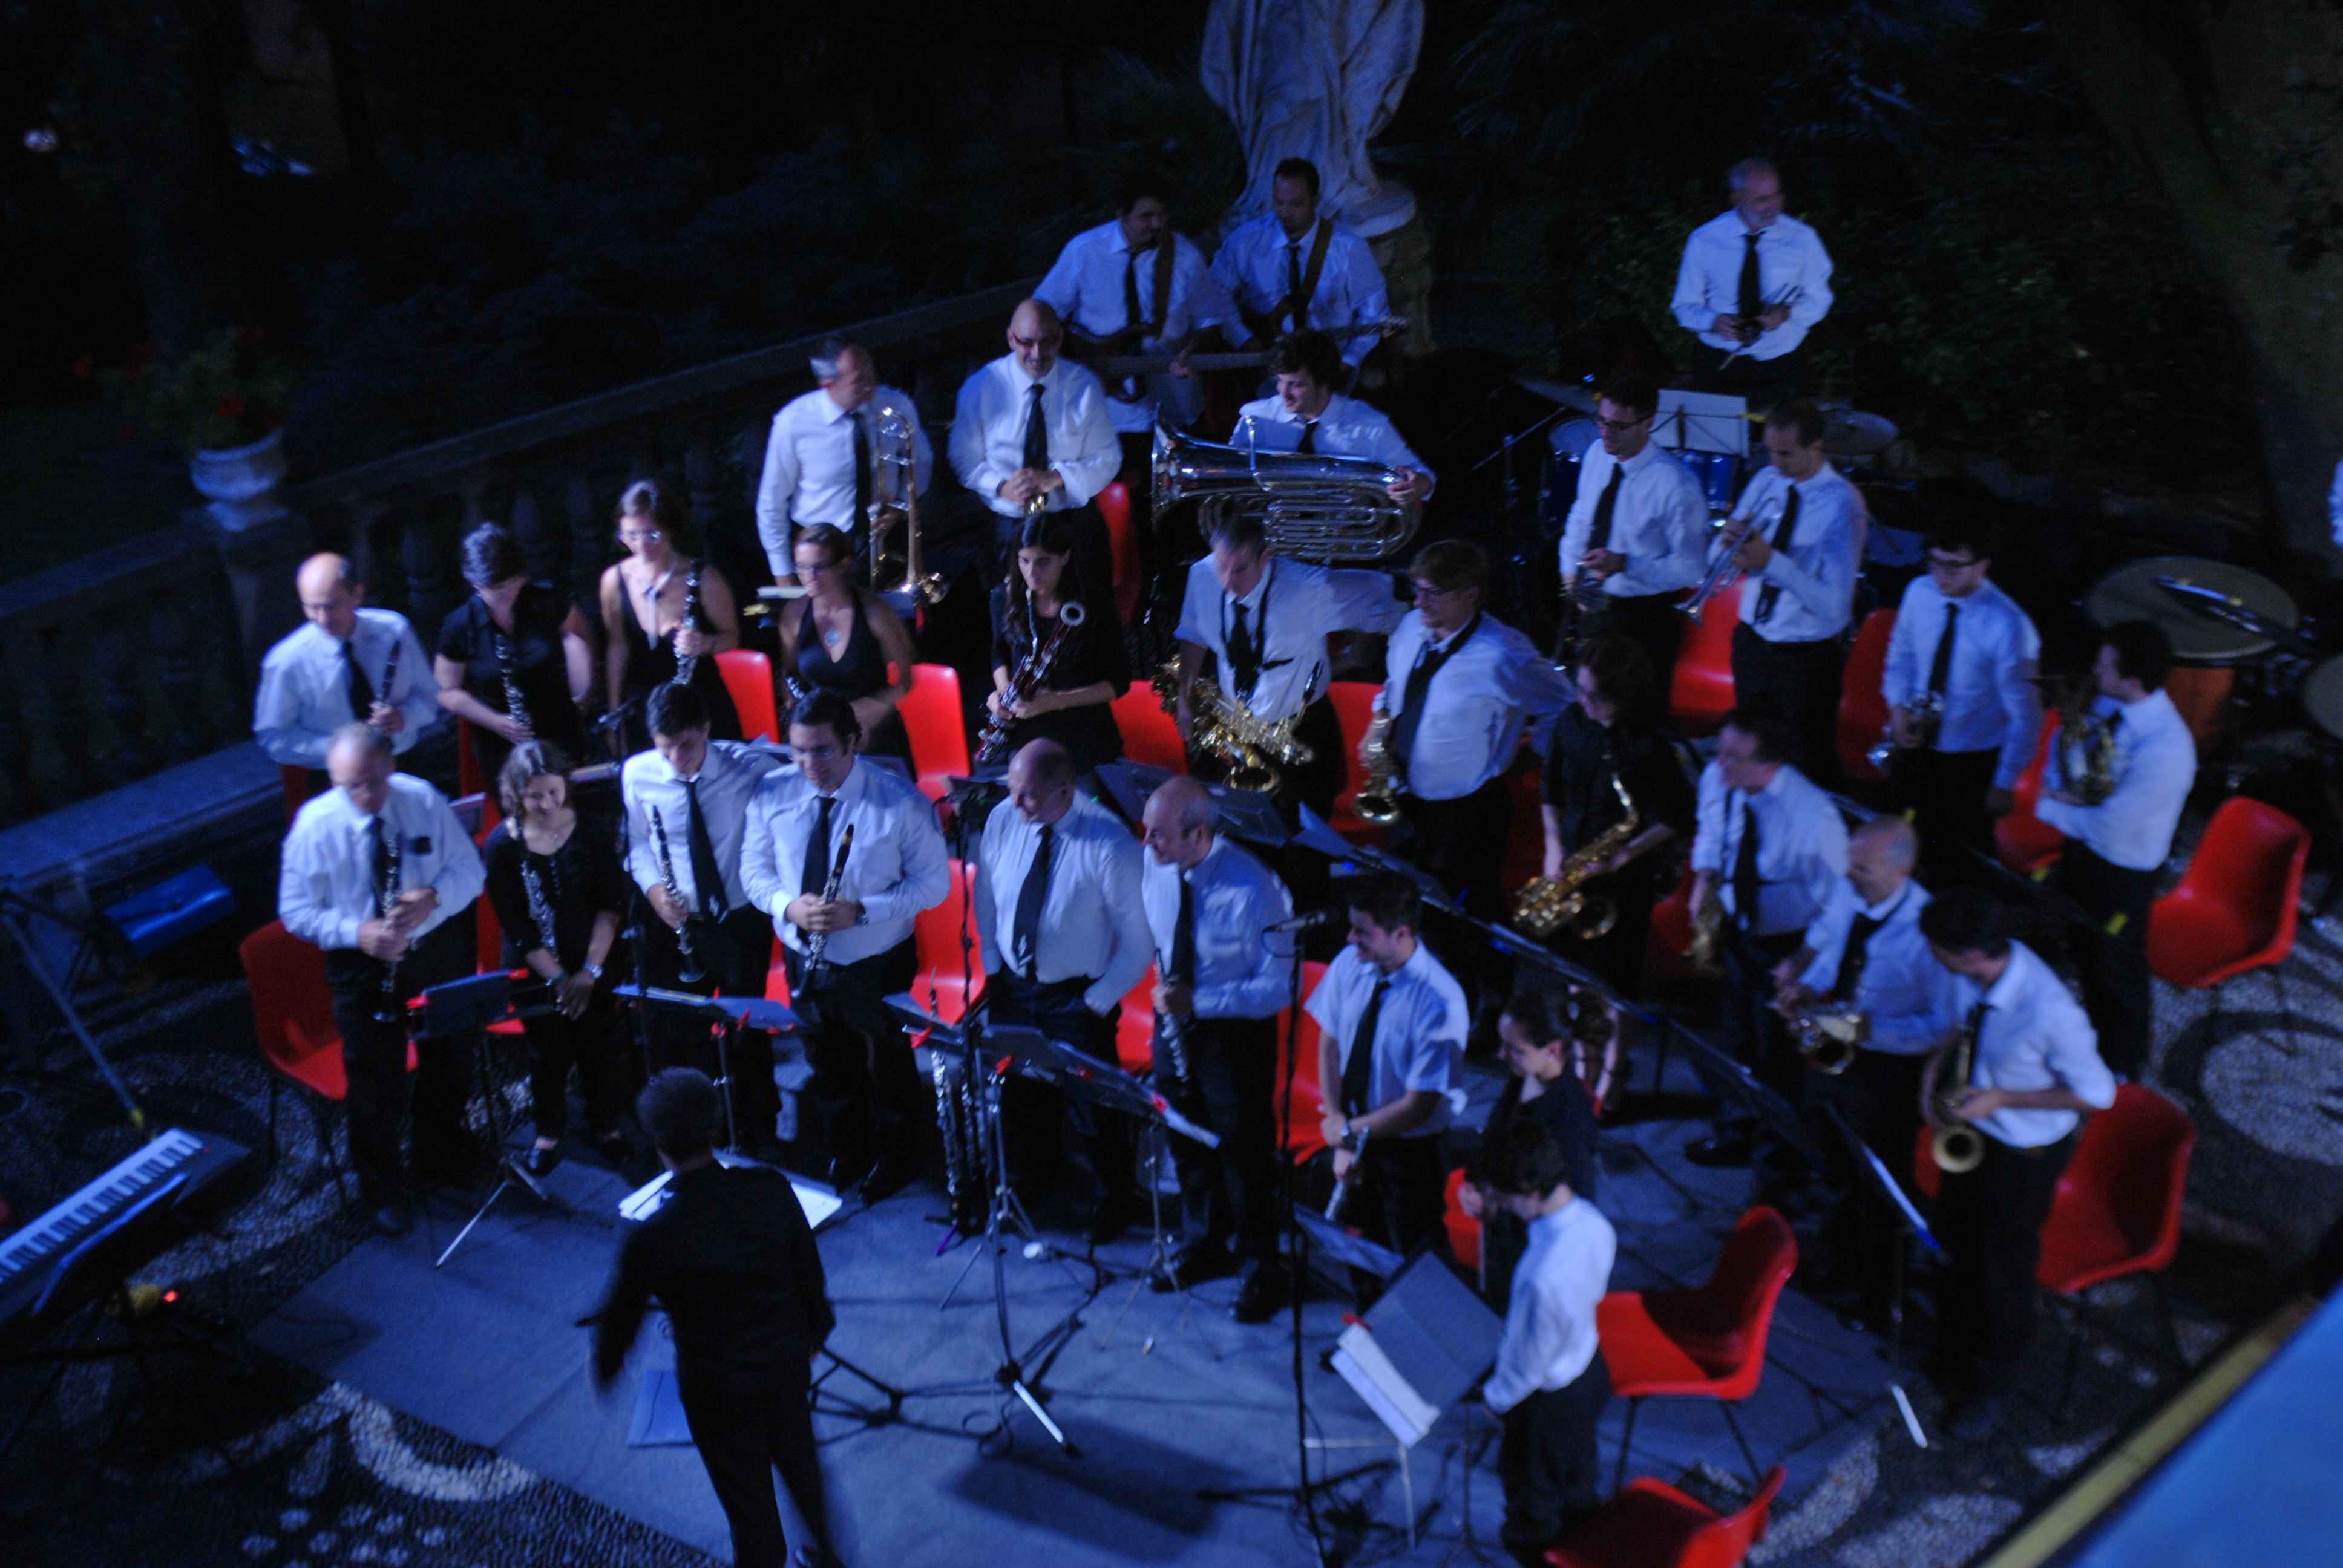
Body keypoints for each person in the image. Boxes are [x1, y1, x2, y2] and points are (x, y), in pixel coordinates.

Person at [592, 1068, 838, 1568]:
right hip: (784, 1363)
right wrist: (816, 1329)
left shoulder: (655, 1234)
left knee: (749, 1507)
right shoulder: (769, 1187)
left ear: (657, 1142)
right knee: (803, 1472)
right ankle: (828, 1559)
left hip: (716, 1389)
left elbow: (621, 1320)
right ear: (714, 1124)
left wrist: (607, 1366)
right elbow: (807, 1270)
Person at [1919, 887, 2117, 1438]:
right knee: (1955, 1243)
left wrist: (2003, 1098)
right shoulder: (1979, 974)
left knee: (2001, 1273)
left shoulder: (2051, 1013)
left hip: (2022, 1156)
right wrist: (1935, 1073)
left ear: (1969, 954)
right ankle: (1955, 1347)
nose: (1930, 954)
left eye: (1937, 948)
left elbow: (2097, 1095)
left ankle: (1993, 1382)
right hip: (1975, 1135)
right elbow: (1966, 1026)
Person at [741, 688, 950, 1199]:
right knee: (828, 1061)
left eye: (823, 751)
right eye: (798, 751)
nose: (809, 765)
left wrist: (862, 911)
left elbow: (934, 886)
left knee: (889, 1064)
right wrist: (788, 906)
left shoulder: (900, 802)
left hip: (876, 959)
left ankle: (897, 1159)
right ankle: (848, 1151)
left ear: (854, 742)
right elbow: (753, 870)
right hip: (804, 955)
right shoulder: (773, 791)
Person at [277, 724, 485, 1235]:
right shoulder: (314, 826)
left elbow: (470, 872)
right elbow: (295, 911)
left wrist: (433, 899)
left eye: (373, 781)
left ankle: (439, 1154)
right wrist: (357, 933)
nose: (365, 796)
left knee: (452, 1059)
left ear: (391, 764)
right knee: (375, 1083)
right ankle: (382, 1189)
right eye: (351, 786)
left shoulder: (422, 800)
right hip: (361, 965)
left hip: (433, 948)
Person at [1770, 817, 1961, 1305]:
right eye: (1851, 864)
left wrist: (1862, 1029)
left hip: (1889, 1072)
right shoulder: (1852, 889)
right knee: (1835, 1163)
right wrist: (1807, 986)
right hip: (1839, 1051)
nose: (1850, 876)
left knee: (1876, 1182)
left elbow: (1944, 1026)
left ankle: (1874, 1290)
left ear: (1902, 871)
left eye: (1864, 869)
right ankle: (1834, 1259)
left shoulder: (1929, 933)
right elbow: (1834, 948)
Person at [974, 740, 1154, 1241]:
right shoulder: (1003, 819)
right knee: (1020, 1098)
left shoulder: (1110, 844)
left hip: (1076, 997)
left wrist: (1096, 1002)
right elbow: (986, 895)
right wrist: (993, 967)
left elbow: (1140, 940)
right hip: (1014, 986)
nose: (1015, 804)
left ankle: (1112, 1201)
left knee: (1093, 1109)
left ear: (1065, 791)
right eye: (1012, 790)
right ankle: (1032, 1187)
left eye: (1028, 795)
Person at [1139, 776, 1296, 1320]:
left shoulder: (1257, 890)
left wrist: (1199, 1003)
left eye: (1159, 834)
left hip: (1234, 1036)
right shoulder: (1157, 865)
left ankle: (1260, 1267)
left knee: (1243, 1155)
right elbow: (1162, 937)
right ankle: (1204, 1241)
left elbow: (1277, 988)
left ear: (1198, 834)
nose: (1147, 844)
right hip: (1176, 1024)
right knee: (1186, 1139)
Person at [1683, 707, 1849, 1170]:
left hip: (1787, 945)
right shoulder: (1721, 778)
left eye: (1734, 756)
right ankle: (1734, 1130)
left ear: (1770, 764)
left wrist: (1805, 962)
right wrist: (1704, 879)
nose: (1719, 764)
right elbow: (1711, 830)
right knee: (1735, 1037)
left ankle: (1777, 1155)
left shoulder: (1814, 816)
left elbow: (1840, 904)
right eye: (1720, 750)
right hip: (1737, 929)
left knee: (1777, 1054)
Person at [620, 683, 782, 1152]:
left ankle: (758, 1131)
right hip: (678, 924)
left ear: (706, 730)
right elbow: (636, 844)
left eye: (687, 746)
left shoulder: (748, 768)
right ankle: (699, 1135)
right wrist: (655, 892)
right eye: (665, 748)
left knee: (748, 1030)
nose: (676, 760)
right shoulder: (638, 773)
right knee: (683, 1034)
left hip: (739, 919)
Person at [1372, 539, 1575, 913]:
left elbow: (1564, 704)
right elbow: (1393, 686)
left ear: (1470, 594)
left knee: (1457, 920)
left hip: (1465, 815)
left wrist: (1532, 750)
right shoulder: (1410, 629)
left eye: (1433, 593)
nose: (1419, 602)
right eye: (1417, 589)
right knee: (1403, 910)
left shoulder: (1503, 654)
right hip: (1403, 798)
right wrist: (1380, 721)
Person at [1170, 508, 1406, 823]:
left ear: (1265, 558)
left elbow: (1389, 601)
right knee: (1243, 830)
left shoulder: (1308, 588)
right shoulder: (1202, 575)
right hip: (1236, 724)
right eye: (1221, 567)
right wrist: (1184, 698)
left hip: (1301, 730)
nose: (1228, 582)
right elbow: (1194, 634)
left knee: (1306, 835)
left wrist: (1355, 657)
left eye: (1240, 570)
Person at [2037, 619, 2195, 1077]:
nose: (2095, 670)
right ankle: (2088, 1038)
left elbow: (2112, 826)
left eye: (2104, 666)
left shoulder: (2168, 749)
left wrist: (2050, 807)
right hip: (2084, 853)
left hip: (2120, 874)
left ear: (2132, 679)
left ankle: (2122, 1066)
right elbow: (2070, 747)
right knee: (2084, 950)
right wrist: (2060, 783)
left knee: (2117, 968)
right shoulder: (2111, 705)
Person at [1035, 175, 1234, 518]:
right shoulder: (1084, 252)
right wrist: (1074, 359)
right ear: (1121, 215)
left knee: (1172, 509)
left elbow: (1211, 320)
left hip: (1169, 406)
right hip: (1102, 411)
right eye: (1145, 216)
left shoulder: (1184, 257)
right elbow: (1042, 314)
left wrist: (1193, 349)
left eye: (1162, 215)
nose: (1156, 224)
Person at [480, 741, 628, 1174]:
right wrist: (561, 980)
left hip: (594, 957)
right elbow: (517, 926)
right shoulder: (502, 846)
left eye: (553, 792)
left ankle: (606, 1125)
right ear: (515, 795)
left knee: (599, 1045)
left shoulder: (591, 828)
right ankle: (548, 1130)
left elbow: (610, 906)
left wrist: (588, 972)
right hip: (535, 967)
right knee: (547, 1052)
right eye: (534, 796)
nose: (547, 804)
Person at [1309, 874, 1469, 1266]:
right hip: (1355, 1129)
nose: (1350, 938)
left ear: (1401, 933)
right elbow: (1329, 1044)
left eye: (1363, 932)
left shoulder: (1440, 1001)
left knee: (1415, 1257)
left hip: (1409, 1153)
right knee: (1362, 1251)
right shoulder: (1350, 963)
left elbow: (1418, 1106)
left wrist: (1347, 1132)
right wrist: (1339, 1125)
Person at [1477, 1117, 1616, 1567]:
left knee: (1532, 1510)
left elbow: (1527, 1366)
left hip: (1548, 1401)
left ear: (1529, 1190)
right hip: (1589, 1370)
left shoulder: (1542, 1276)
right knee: (1577, 1482)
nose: (1502, 1207)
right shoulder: (1595, 1223)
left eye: (1504, 1198)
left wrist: (1495, 1399)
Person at [1879, 521, 2043, 886]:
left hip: (1969, 763)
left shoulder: (2009, 627)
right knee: (1899, 833)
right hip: (1917, 742)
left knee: (1958, 860)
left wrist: (2005, 782)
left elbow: (2026, 717)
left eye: (1954, 566)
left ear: (1982, 566)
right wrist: (1897, 707)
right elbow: (1901, 656)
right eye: (1935, 562)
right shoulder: (1919, 593)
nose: (1942, 575)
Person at [1537, 635, 1696, 996]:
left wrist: (1625, 855)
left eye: (1595, 697)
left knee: (1613, 983)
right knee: (1568, 971)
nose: (1584, 702)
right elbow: (1551, 788)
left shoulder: (1650, 745)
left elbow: (1679, 814)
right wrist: (1553, 846)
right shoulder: (1572, 722)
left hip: (1624, 879)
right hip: (1571, 862)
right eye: (1580, 690)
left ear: (1624, 696)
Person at [1714, 400, 1861, 784]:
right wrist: (1726, 544)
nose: (1775, 464)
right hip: (1752, 644)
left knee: (1802, 768)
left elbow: (1835, 608)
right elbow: (1717, 559)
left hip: (1803, 661)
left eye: (1786, 454)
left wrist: (1771, 562)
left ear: (1816, 446)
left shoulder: (1843, 504)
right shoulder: (1766, 481)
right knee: (1752, 757)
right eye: (1770, 452)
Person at [947, 298, 1121, 584]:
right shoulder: (980, 387)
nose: (1037, 354)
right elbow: (963, 458)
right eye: (1027, 343)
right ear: (1011, 339)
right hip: (1007, 526)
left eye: (1047, 342)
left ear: (1060, 339)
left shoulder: (1084, 387)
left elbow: (1108, 458)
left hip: (1069, 522)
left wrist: (1056, 478)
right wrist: (1002, 487)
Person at [1556, 372, 1709, 687]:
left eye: (1618, 426)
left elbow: (1692, 568)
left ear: (1648, 423)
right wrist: (1570, 575)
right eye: (1602, 421)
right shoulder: (1597, 454)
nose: (1606, 433)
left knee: (1637, 707)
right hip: (1597, 606)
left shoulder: (1676, 485)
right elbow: (1581, 516)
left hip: (1644, 619)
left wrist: (1625, 564)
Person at [1460, 988, 1605, 1310]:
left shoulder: (1571, 1114)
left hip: (1529, 1252)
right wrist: (1475, 1183)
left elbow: (1574, 1201)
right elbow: (1496, 1139)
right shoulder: (1524, 1075)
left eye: (1515, 1049)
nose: (1501, 1055)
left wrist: (1498, 1200)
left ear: (1553, 1050)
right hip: (1503, 1238)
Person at [753, 335, 932, 589]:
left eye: (871, 371)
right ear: (829, 385)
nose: (871, 384)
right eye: (859, 380)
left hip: (887, 535)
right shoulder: (793, 423)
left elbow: (921, 462)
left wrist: (900, 505)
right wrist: (783, 573)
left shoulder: (896, 405)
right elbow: (772, 502)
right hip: (821, 548)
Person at [433, 523, 592, 785]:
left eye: (513, 583)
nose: (508, 593)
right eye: (497, 588)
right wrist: (495, 721)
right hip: (501, 743)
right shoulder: (460, 625)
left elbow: (580, 645)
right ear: (475, 583)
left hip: (559, 730)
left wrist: (583, 695)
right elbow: (446, 691)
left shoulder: (549, 602)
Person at [1670, 157, 1833, 404]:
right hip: (1720, 363)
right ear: (1737, 198)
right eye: (1761, 200)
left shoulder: (1802, 239)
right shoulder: (1705, 240)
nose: (1773, 206)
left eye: (1777, 196)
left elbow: (1820, 298)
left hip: (1781, 362)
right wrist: (1712, 321)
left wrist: (1788, 314)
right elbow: (1684, 306)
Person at [254, 552, 437, 773]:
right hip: (334, 777)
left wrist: (404, 717)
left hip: (403, 761)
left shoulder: (394, 630)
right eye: (312, 608)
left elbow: (430, 698)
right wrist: (341, 747)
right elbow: (273, 738)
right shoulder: (286, 661)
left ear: (357, 595)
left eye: (331, 606)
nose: (323, 619)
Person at [599, 479, 744, 757]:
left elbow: (732, 637)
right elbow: (617, 647)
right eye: (631, 535)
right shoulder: (613, 581)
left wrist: (704, 643)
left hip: (701, 706)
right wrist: (615, 714)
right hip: (645, 711)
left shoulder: (705, 579)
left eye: (652, 535)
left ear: (671, 530)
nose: (642, 545)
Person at [985, 510, 1132, 775]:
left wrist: (1054, 701)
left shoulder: (1094, 603)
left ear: (1064, 557)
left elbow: (1119, 682)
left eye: (1043, 562)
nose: (1032, 573)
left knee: (1082, 794)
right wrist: (1004, 693)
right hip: (1025, 731)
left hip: (1084, 733)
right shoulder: (1003, 598)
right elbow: (1000, 653)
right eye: (1024, 561)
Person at [1211, 157, 1391, 373]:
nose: (1285, 213)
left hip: (1327, 366)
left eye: (1296, 204)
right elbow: (1216, 292)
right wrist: (1243, 339)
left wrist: (1348, 362)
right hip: (1266, 364)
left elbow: (1374, 314)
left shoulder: (1349, 249)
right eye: (1279, 203)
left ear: (1315, 200)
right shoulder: (1245, 241)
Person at [1231, 330, 1434, 503]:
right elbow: (1229, 478)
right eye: (1280, 381)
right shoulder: (1255, 418)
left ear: (1324, 383)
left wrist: (1417, 485)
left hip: (1343, 531)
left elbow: (1424, 477)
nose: (1284, 393)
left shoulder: (1369, 426)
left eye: (1296, 384)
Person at [778, 523, 917, 766]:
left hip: (871, 727)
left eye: (819, 567)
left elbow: (906, 680)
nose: (809, 577)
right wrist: (799, 713)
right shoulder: (794, 614)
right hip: (819, 730)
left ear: (842, 565)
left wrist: (877, 706)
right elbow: (788, 674)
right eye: (802, 567)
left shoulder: (876, 614)